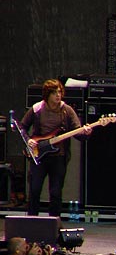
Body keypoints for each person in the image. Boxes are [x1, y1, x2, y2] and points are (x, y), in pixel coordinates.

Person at [21, 79, 93, 217]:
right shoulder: (37, 109)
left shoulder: (67, 110)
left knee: (55, 193)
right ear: (47, 95)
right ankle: (31, 222)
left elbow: (77, 133)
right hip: (39, 155)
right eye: (54, 93)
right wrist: (28, 140)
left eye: (59, 92)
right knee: (34, 190)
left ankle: (54, 223)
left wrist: (86, 133)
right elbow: (22, 127)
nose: (58, 95)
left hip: (58, 157)